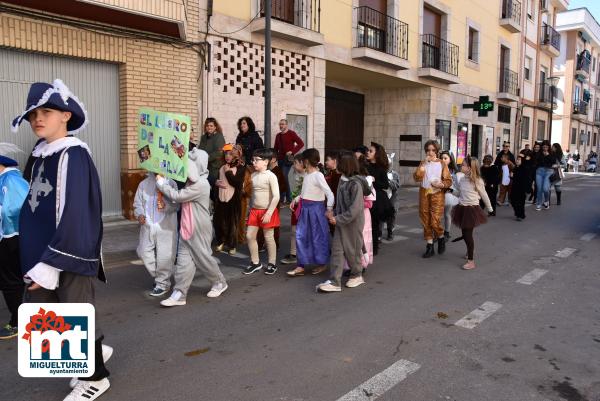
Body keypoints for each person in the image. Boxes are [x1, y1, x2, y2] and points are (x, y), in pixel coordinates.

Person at [12, 79, 112, 400]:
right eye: (33, 114)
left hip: (66, 250)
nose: (37, 118)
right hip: (41, 251)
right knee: (53, 313)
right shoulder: (39, 153)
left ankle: (95, 376)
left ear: (66, 116)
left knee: (75, 309)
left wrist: (52, 263)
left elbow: (77, 212)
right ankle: (87, 355)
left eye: (47, 111)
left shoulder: (74, 155)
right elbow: (33, 206)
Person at [156, 148, 229, 307]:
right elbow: (178, 199)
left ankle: (219, 282)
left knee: (203, 258)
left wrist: (162, 185)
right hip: (186, 227)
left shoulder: (201, 184)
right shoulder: (192, 182)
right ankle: (180, 293)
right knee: (183, 262)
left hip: (199, 228)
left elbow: (178, 196)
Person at [316, 151, 370, 292]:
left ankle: (357, 274)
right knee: (337, 250)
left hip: (353, 223)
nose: (335, 163)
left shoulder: (355, 184)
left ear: (345, 164)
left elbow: (355, 209)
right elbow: (341, 203)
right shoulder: (343, 179)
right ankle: (335, 282)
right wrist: (334, 213)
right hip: (341, 221)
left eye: (338, 161)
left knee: (352, 250)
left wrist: (337, 218)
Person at [287, 149, 334, 277]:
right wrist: (296, 200)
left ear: (306, 161)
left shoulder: (318, 175)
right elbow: (304, 192)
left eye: (302, 161)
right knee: (301, 236)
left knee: (318, 237)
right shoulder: (307, 175)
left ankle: (322, 263)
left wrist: (329, 208)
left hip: (316, 210)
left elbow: (329, 193)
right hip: (305, 209)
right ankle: (300, 265)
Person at [133, 172, 178, 297]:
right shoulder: (143, 184)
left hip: (166, 227)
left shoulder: (171, 183)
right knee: (143, 252)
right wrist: (140, 214)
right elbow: (138, 203)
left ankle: (162, 284)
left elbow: (176, 204)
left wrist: (166, 206)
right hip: (148, 226)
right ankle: (161, 277)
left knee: (165, 256)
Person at [0, 149, 29, 340]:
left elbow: (16, 207)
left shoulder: (11, 180)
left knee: (11, 281)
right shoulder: (7, 180)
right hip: (9, 237)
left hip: (11, 238)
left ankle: (19, 322)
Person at [451, 156, 493, 270]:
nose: (461, 166)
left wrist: (490, 208)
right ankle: (471, 250)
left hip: (471, 209)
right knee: (466, 234)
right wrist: (450, 190)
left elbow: (484, 195)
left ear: (470, 168)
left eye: (463, 165)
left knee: (467, 234)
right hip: (462, 208)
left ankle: (471, 261)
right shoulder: (463, 179)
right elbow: (459, 193)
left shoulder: (477, 181)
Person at [243, 148, 280, 275]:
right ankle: (255, 263)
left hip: (267, 211)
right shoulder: (252, 176)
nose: (254, 162)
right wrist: (248, 211)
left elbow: (276, 196)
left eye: (257, 160)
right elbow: (251, 196)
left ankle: (272, 263)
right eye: (253, 160)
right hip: (254, 211)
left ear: (266, 162)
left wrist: (269, 213)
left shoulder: (271, 176)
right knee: (249, 236)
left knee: (268, 237)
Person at [413, 140, 452, 258]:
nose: (430, 152)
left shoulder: (442, 163)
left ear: (436, 151)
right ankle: (429, 246)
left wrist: (442, 185)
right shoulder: (423, 163)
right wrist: (423, 165)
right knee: (425, 219)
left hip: (437, 194)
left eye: (433, 150)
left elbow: (448, 181)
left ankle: (440, 237)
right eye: (428, 150)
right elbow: (416, 178)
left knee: (434, 220)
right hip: (424, 193)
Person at [213, 144, 246, 255]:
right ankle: (221, 241)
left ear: (235, 155)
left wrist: (228, 172)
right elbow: (218, 180)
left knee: (232, 223)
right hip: (221, 198)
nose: (228, 156)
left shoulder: (240, 167)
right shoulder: (222, 167)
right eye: (226, 154)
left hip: (233, 199)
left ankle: (232, 244)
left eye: (230, 154)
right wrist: (216, 183)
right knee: (220, 221)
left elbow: (237, 183)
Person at [366, 142, 392, 255]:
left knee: (374, 224)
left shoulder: (381, 168)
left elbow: (385, 185)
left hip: (377, 199)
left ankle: (374, 247)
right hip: (365, 197)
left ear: (377, 154)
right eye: (368, 150)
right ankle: (366, 246)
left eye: (371, 151)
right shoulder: (364, 166)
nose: (368, 152)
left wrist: (374, 181)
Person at [280, 153, 305, 265]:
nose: (293, 165)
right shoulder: (292, 171)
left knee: (306, 231)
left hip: (306, 205)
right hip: (295, 203)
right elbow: (292, 187)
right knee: (294, 230)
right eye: (293, 162)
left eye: (296, 163)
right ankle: (293, 253)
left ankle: (305, 253)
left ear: (303, 163)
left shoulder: (311, 175)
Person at [273, 119, 304, 204]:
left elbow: (301, 143)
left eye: (283, 124)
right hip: (280, 159)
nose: (281, 126)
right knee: (281, 177)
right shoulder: (278, 136)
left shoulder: (291, 133)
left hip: (288, 159)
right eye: (280, 124)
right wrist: (274, 158)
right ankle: (283, 198)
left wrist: (292, 151)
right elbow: (275, 148)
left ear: (287, 125)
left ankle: (288, 198)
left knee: (284, 176)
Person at [440, 151, 462, 239]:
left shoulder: (453, 171)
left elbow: (457, 184)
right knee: (437, 215)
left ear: (450, 160)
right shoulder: (437, 168)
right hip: (438, 194)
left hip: (448, 194)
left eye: (445, 158)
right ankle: (436, 232)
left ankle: (447, 232)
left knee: (447, 214)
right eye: (441, 158)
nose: (443, 160)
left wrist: (453, 191)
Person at [198, 117, 225, 186]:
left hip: (214, 167)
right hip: (203, 167)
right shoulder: (203, 137)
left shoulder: (219, 137)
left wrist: (205, 158)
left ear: (215, 127)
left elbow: (218, 152)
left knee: (213, 188)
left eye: (211, 126)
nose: (209, 127)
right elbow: (200, 150)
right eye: (207, 126)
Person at [534, 140, 558, 211]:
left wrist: (547, 155)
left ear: (548, 147)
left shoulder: (552, 153)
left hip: (548, 171)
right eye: (543, 147)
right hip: (539, 171)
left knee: (545, 189)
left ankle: (546, 201)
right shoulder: (539, 153)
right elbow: (536, 161)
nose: (545, 149)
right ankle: (539, 204)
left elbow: (553, 161)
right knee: (539, 189)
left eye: (546, 147)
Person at [510, 152, 532, 221]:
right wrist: (511, 177)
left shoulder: (525, 169)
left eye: (519, 160)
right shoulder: (515, 168)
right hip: (514, 188)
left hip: (522, 189)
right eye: (517, 159)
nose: (517, 161)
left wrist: (528, 190)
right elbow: (514, 178)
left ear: (522, 161)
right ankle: (518, 213)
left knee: (520, 203)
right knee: (513, 200)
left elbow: (527, 179)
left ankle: (520, 215)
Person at [384, 152, 401, 241]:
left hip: (392, 199)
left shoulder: (395, 174)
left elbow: (397, 185)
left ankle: (390, 232)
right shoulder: (380, 173)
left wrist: (388, 181)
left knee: (391, 216)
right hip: (382, 198)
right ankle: (378, 235)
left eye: (389, 163)